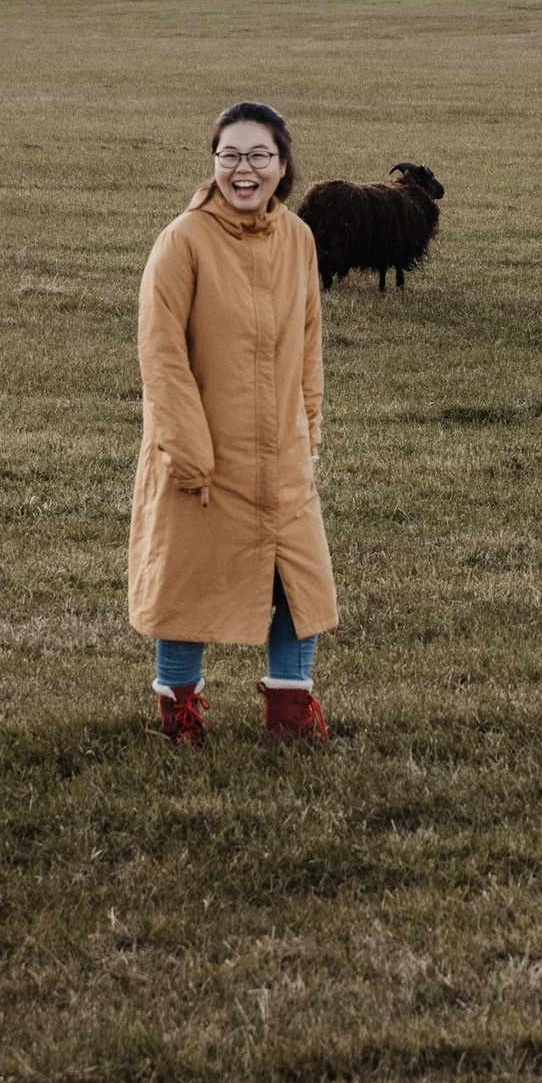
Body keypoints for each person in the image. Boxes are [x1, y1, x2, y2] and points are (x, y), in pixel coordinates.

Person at [129, 101, 337, 746]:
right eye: (230, 156)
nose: (243, 170)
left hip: (281, 453)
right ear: (215, 163)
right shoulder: (183, 240)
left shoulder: (298, 239)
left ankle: (290, 713)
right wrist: (189, 455)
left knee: (296, 584)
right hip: (202, 456)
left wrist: (308, 432)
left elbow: (308, 343)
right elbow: (162, 356)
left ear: (283, 164)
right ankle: (180, 713)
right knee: (189, 585)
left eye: (258, 156)